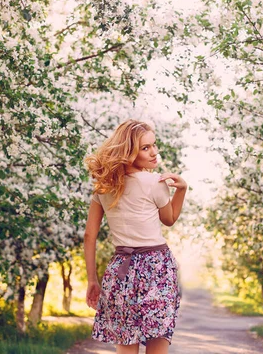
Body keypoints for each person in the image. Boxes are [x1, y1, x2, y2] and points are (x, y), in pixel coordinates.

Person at [83, 119, 188, 354]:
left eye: (154, 145)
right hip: (157, 268)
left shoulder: (103, 186)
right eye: (145, 147)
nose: (154, 152)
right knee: (158, 341)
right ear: (129, 152)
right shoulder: (154, 182)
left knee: (126, 347)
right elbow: (169, 219)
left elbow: (90, 235)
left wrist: (92, 279)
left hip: (121, 269)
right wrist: (181, 189)